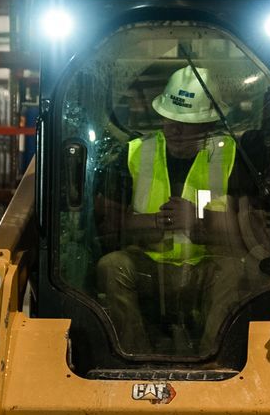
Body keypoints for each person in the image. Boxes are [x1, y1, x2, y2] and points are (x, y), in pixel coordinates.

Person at [94, 62, 259, 356]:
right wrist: (154, 222)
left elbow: (247, 230)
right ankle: (136, 360)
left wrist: (197, 220)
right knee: (111, 266)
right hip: (149, 268)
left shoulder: (231, 156)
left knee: (235, 272)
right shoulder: (135, 153)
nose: (175, 131)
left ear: (208, 123)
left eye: (187, 123)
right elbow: (110, 221)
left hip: (206, 270)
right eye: (169, 120)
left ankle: (213, 361)